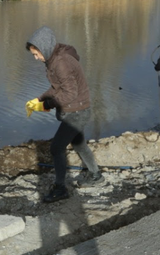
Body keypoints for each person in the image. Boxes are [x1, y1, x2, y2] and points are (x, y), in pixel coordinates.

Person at [25, 26, 102, 203]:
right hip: (78, 109)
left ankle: (60, 189)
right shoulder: (54, 60)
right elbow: (57, 87)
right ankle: (96, 175)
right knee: (79, 143)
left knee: (56, 148)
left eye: (36, 54)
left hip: (77, 111)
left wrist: (46, 104)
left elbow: (70, 93)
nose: (36, 58)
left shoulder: (61, 63)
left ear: (44, 47)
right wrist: (39, 99)